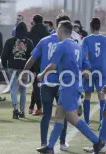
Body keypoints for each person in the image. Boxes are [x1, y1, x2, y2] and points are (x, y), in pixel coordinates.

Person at [36, 20, 105, 154]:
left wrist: (41, 74)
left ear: (60, 31)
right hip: (71, 84)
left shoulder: (61, 45)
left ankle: (97, 142)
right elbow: (86, 66)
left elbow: (53, 66)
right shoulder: (77, 45)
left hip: (69, 85)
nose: (56, 32)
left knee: (72, 117)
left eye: (57, 30)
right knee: (59, 115)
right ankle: (50, 147)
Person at [24, 14, 77, 151]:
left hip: (46, 82)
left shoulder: (45, 40)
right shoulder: (70, 43)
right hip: (62, 83)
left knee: (46, 114)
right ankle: (63, 142)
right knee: (62, 114)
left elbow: (32, 58)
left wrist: (24, 72)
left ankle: (43, 143)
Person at [1, 22, 33, 119]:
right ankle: (22, 111)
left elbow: (4, 56)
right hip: (24, 69)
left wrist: (5, 66)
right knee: (23, 90)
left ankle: (15, 109)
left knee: (13, 89)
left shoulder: (9, 41)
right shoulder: (29, 42)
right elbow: (31, 57)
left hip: (12, 67)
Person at [82, 18, 106, 127]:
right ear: (99, 27)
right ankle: (102, 122)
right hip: (102, 70)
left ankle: (87, 122)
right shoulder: (104, 39)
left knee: (87, 95)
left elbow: (86, 56)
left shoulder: (86, 40)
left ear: (91, 27)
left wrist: (85, 70)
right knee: (102, 96)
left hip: (90, 70)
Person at [27, 14, 49, 116]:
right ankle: (32, 107)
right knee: (37, 84)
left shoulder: (30, 33)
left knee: (35, 85)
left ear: (34, 21)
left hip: (35, 61)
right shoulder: (47, 34)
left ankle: (39, 108)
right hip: (46, 62)